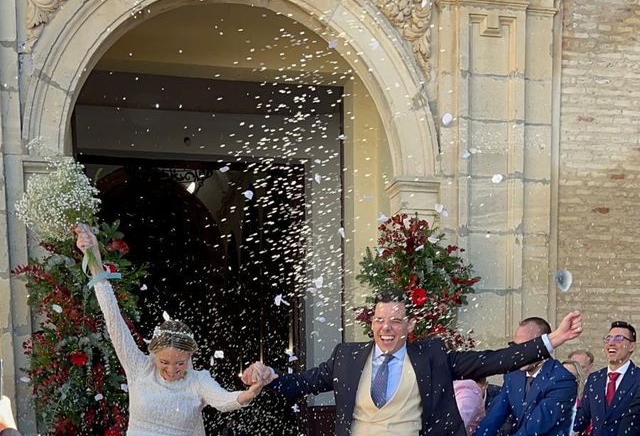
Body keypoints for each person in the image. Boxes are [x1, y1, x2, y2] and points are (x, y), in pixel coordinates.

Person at [243, 291, 583, 436]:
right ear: (371, 323)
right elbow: (301, 384)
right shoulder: (345, 358)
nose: (386, 328)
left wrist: (550, 341)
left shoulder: (432, 356)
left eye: (395, 321)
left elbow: (490, 361)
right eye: (379, 320)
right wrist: (267, 379)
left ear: (409, 326)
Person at [75, 226, 272, 436]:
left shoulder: (198, 381)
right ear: (153, 355)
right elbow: (113, 319)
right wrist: (94, 258)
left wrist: (251, 392)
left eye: (180, 363)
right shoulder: (139, 368)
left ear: (190, 356)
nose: (171, 370)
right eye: (164, 362)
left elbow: (225, 400)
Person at [474, 317, 577, 436]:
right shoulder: (513, 375)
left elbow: (535, 428)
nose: (518, 354)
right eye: (514, 346)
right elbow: (494, 417)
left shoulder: (562, 380)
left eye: (524, 347)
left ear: (543, 347)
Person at [574, 321, 640, 436]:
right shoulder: (594, 379)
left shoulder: (637, 377)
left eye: (618, 338)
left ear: (632, 346)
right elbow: (581, 419)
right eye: (608, 338)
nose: (611, 343)